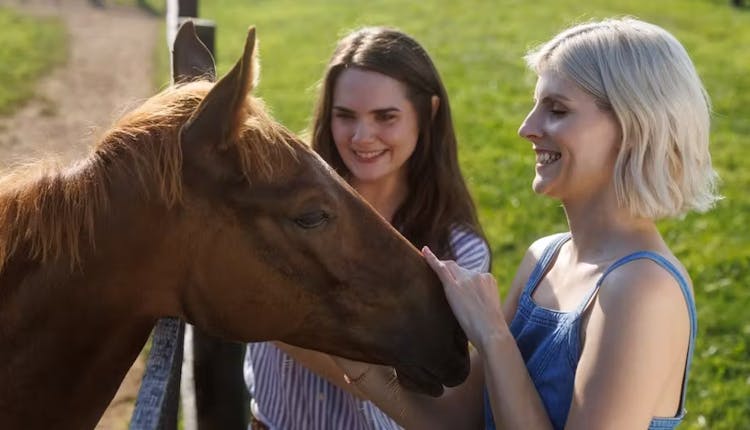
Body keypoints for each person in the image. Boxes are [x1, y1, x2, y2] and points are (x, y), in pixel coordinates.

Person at [330, 17, 719, 430]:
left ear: (633, 128)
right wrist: (331, 329)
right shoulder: (544, 258)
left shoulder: (641, 290)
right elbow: (459, 421)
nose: (526, 128)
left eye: (557, 110)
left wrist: (494, 338)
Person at [243, 27, 491, 430]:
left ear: (427, 113)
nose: (362, 137)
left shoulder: (459, 249)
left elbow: (425, 387)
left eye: (385, 117)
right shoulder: (280, 202)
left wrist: (277, 318)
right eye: (345, 116)